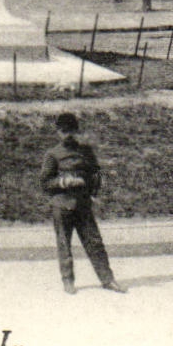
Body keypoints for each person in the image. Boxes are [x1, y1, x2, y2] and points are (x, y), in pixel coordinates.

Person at [40, 112, 125, 295]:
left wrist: (94, 193)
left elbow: (96, 173)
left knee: (95, 242)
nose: (68, 135)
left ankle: (108, 279)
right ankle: (68, 281)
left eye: (71, 131)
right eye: (64, 131)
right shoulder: (52, 154)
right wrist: (64, 182)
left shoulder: (85, 151)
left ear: (77, 131)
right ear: (58, 132)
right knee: (64, 244)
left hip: (83, 205)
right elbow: (45, 183)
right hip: (62, 205)